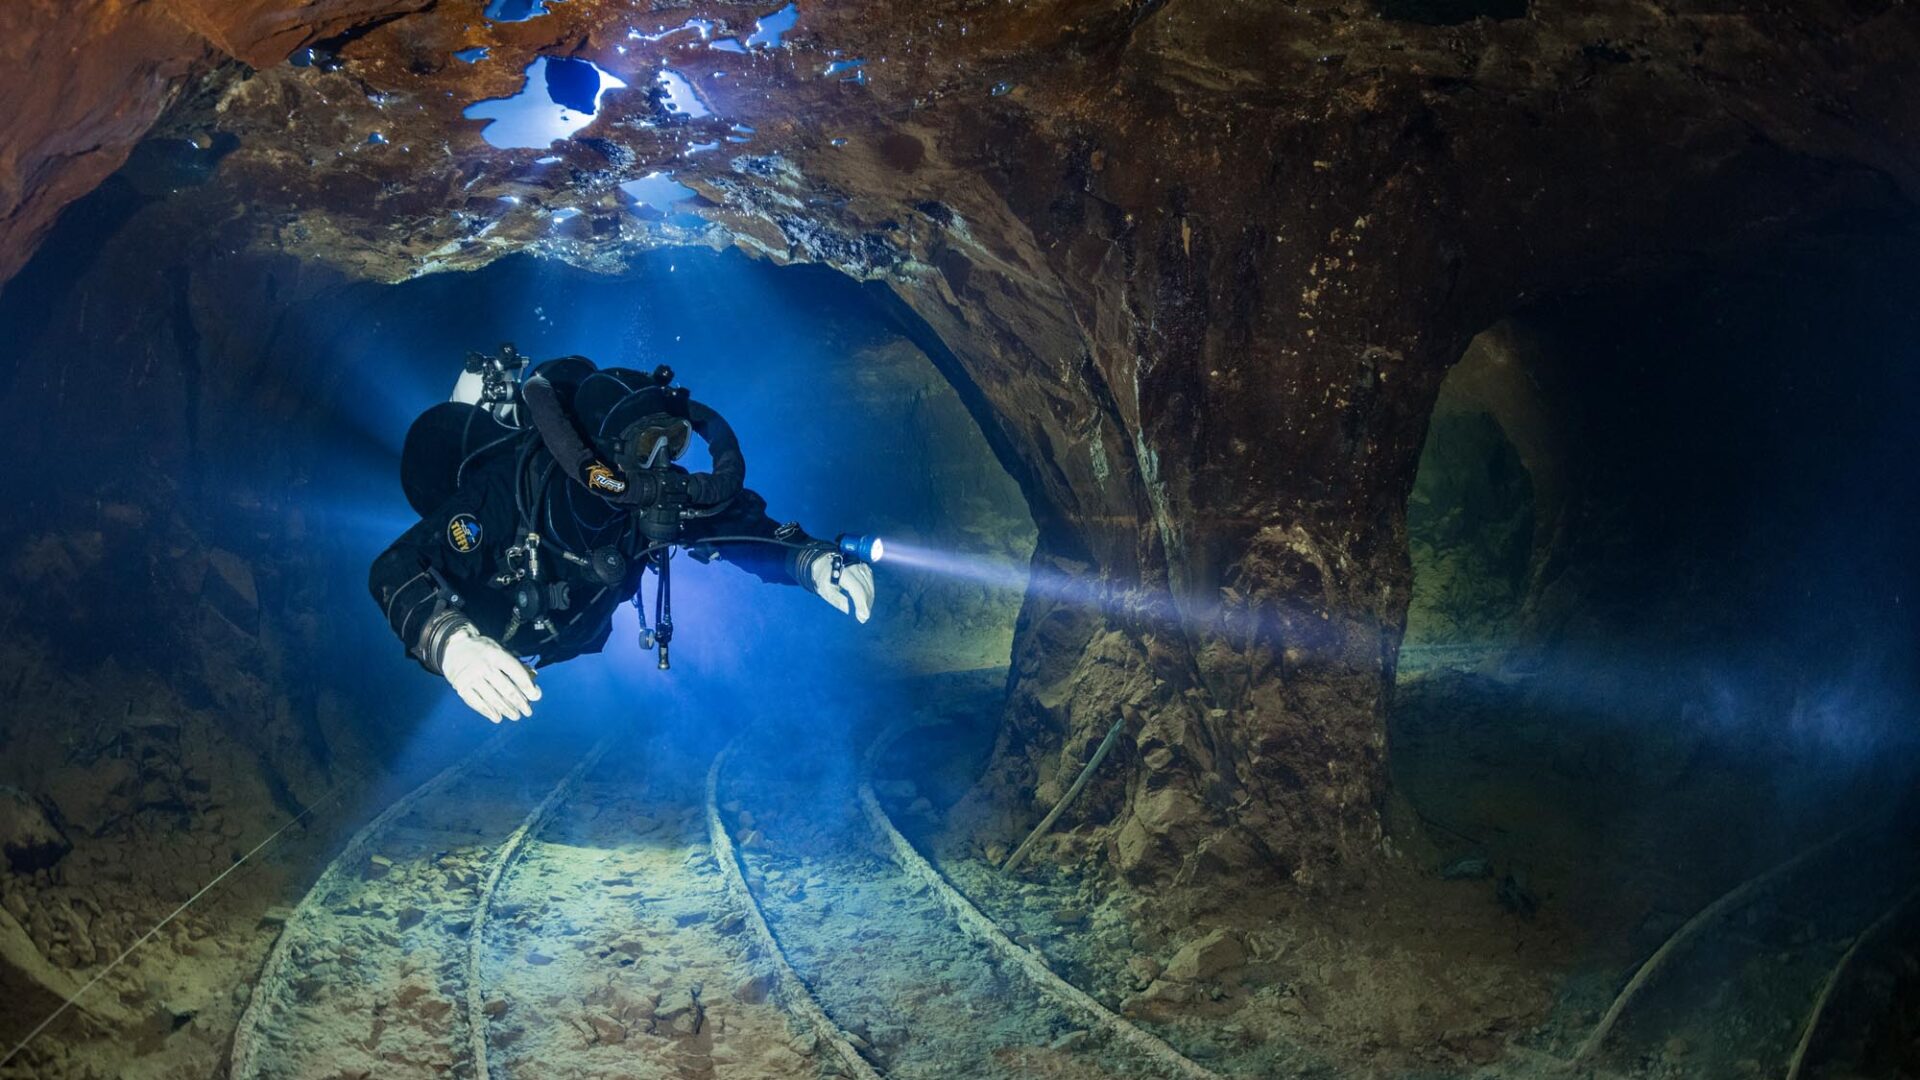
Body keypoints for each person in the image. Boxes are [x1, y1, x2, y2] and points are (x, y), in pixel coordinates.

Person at [368, 348, 877, 723]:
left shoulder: (645, 499)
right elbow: (397, 566)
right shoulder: (510, 487)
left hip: (562, 638)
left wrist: (812, 562)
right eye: (645, 445)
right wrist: (451, 644)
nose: (661, 465)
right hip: (496, 623)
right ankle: (484, 406)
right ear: (599, 451)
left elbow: (741, 529)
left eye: (672, 443)